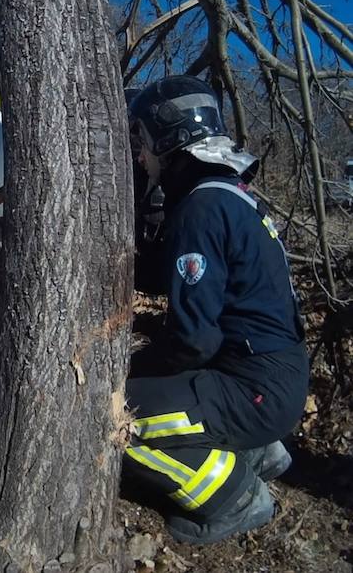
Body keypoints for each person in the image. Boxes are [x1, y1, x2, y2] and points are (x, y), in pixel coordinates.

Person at [124, 75, 309, 544]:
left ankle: (235, 496)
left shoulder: (200, 210)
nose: (141, 157)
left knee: (113, 418)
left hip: (253, 389)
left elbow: (194, 340)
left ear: (170, 143)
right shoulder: (228, 196)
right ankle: (256, 450)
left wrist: (135, 374)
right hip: (274, 378)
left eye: (143, 142)